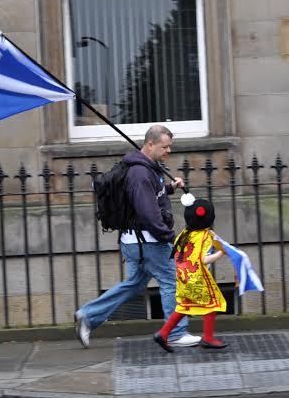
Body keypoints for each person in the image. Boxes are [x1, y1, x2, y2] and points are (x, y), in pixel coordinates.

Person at [74, 125, 201, 348]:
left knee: (133, 284)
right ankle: (176, 333)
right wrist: (172, 238)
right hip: (149, 242)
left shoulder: (147, 168)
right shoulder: (141, 173)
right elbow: (148, 214)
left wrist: (170, 188)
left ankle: (87, 315)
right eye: (165, 147)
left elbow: (149, 197)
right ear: (150, 144)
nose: (168, 151)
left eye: (170, 146)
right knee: (171, 282)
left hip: (135, 242)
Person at [153, 198, 228, 352]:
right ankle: (208, 338)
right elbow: (203, 259)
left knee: (184, 306)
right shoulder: (205, 236)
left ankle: (163, 333)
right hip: (198, 279)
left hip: (183, 278)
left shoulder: (183, 234)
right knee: (214, 304)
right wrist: (221, 253)